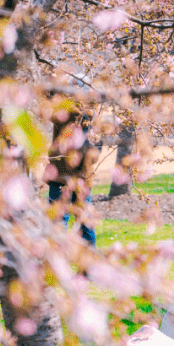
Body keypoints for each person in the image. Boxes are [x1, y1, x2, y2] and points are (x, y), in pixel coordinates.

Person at [46, 105, 99, 246]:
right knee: (82, 222)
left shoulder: (67, 110)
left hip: (63, 175)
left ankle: (61, 263)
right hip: (76, 176)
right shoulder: (90, 111)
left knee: (60, 222)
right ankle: (87, 264)